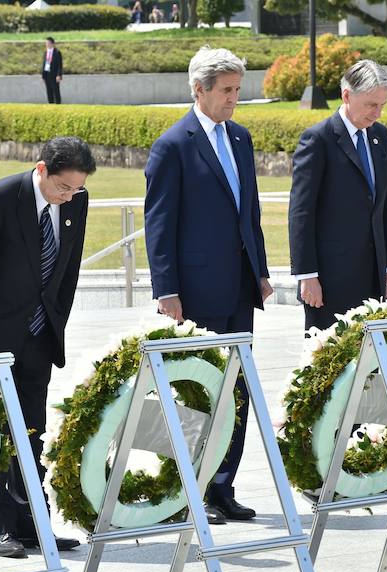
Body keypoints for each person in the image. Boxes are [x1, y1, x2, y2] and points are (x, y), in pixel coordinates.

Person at [0, 137, 95, 558]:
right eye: (63, 188)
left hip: (39, 335)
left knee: (32, 431)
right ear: (42, 169)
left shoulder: (76, 203)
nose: (69, 197)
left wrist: (57, 321)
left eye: (76, 190)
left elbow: (69, 268)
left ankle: (33, 524)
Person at [144, 46, 273, 525]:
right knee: (197, 395)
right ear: (199, 90)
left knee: (235, 392)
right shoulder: (173, 145)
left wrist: (259, 272)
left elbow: (250, 211)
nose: (234, 99)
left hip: (239, 289)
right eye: (226, 91)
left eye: (238, 90)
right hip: (195, 295)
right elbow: (159, 224)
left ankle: (222, 488)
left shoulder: (240, 138)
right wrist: (166, 291)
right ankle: (188, 492)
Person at [288, 59, 387, 332]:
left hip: (372, 275)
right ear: (347, 95)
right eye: (371, 105)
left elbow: (386, 206)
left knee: (369, 363)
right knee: (328, 364)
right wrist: (308, 275)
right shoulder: (318, 140)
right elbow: (301, 213)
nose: (378, 114)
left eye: (382, 105)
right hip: (328, 281)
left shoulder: (380, 137)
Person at [41, 37, 63, 105]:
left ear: (52, 44)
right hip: (47, 74)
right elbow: (44, 64)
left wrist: (59, 75)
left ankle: (58, 105)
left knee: (55, 91)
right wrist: (43, 76)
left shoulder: (57, 52)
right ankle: (50, 104)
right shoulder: (46, 52)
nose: (47, 45)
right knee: (49, 91)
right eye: (46, 43)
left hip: (54, 75)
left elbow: (60, 65)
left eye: (48, 43)